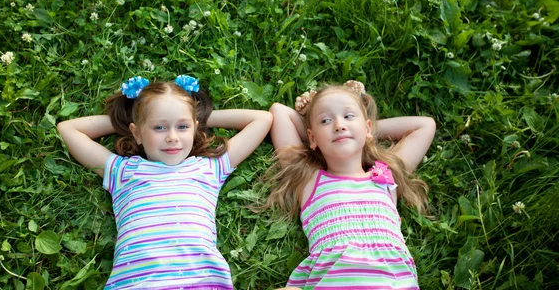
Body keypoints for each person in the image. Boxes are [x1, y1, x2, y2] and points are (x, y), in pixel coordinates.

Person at [57, 75, 272, 289]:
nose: (172, 137)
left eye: (182, 127)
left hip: (201, 284)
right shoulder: (123, 172)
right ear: (137, 133)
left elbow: (262, 119)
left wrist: (198, 119)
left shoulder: (208, 169)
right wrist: (130, 121)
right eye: (159, 127)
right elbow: (68, 129)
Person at [264, 81, 436, 289]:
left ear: (368, 127)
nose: (339, 125)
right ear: (311, 137)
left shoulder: (386, 176)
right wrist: (324, 132)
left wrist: (362, 128)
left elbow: (425, 125)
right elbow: (279, 113)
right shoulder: (309, 181)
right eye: (326, 120)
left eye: (348, 116)